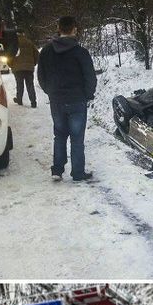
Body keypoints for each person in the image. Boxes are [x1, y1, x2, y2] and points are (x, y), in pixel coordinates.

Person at [37, 16, 97, 182]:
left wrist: (50, 92)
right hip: (77, 100)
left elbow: (40, 75)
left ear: (58, 28)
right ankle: (77, 173)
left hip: (56, 101)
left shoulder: (47, 51)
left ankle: (57, 170)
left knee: (60, 135)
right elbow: (90, 77)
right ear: (74, 29)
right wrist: (88, 95)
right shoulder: (80, 52)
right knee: (77, 138)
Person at [11, 34, 39, 108]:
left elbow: (10, 55)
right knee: (30, 85)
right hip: (29, 68)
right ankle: (33, 102)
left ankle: (19, 100)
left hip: (18, 68)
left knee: (19, 85)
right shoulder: (29, 42)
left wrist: (11, 65)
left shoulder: (14, 43)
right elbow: (37, 54)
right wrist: (33, 63)